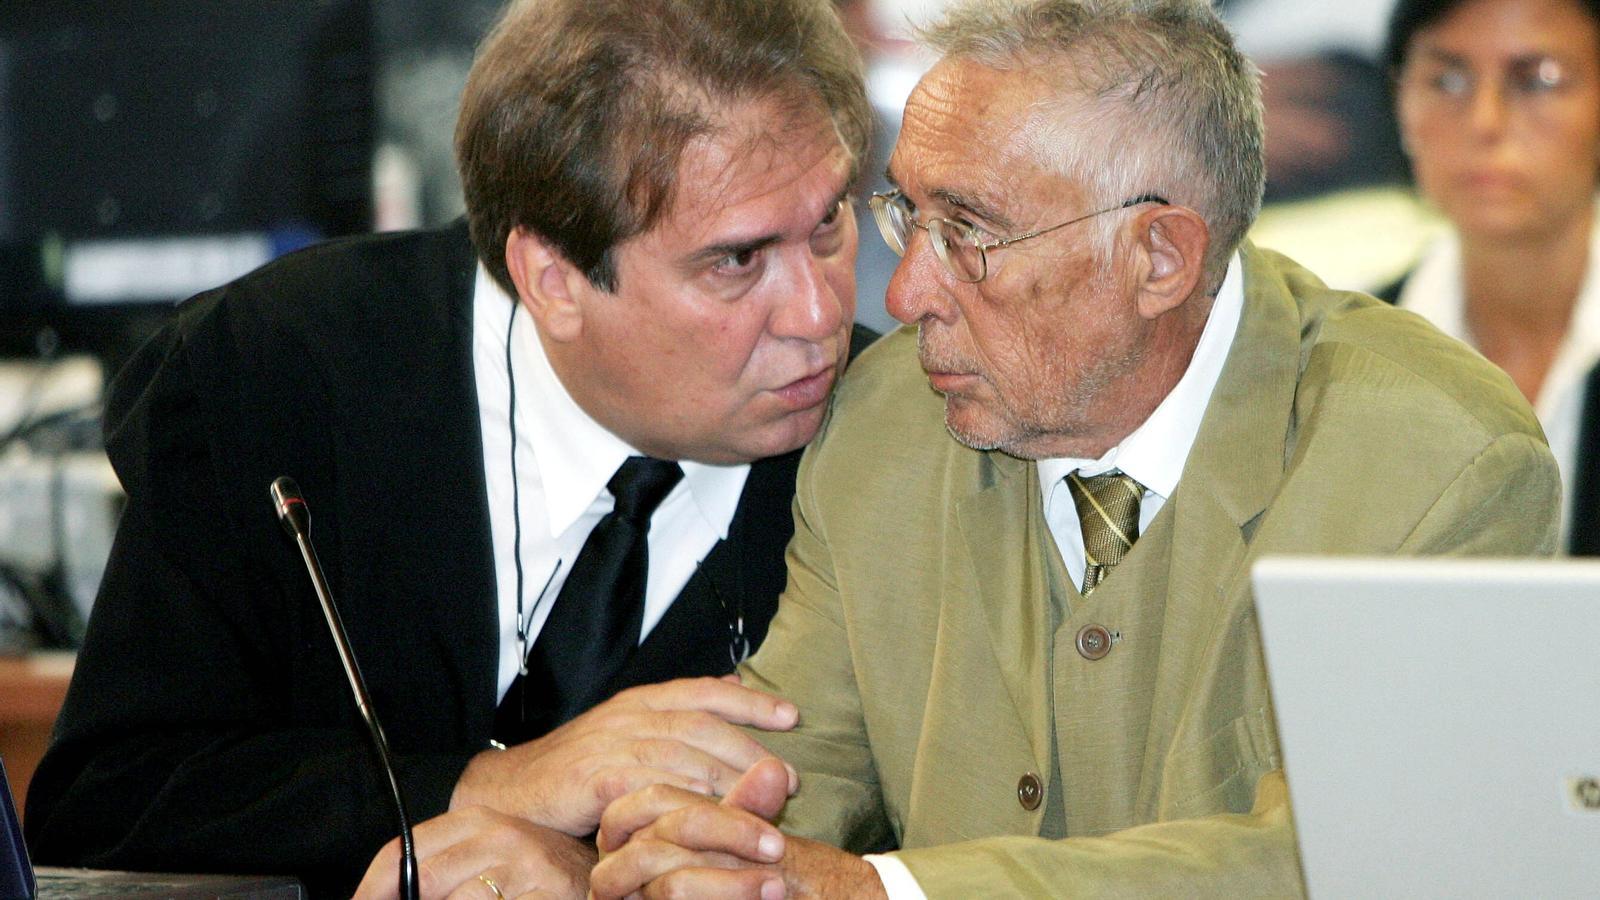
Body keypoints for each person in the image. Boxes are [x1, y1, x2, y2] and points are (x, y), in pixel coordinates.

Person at [584, 0, 1562, 897]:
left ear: (1159, 258)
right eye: (905, 215)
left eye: (968, 233)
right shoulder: (886, 423)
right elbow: (791, 769)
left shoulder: (1435, 461)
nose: (905, 294)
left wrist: (885, 893)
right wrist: (651, 847)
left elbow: (1368, 861)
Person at [24, 0, 872, 896]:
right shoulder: (276, 374)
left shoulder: (909, 446)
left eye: (828, 225)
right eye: (736, 261)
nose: (819, 315)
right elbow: (108, 808)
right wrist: (491, 790)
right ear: (553, 279)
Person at [1380, 0, 1600, 554]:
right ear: (1400, 100)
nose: (1485, 122)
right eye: (1447, 79)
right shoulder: (1333, 362)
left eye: (1539, 81)